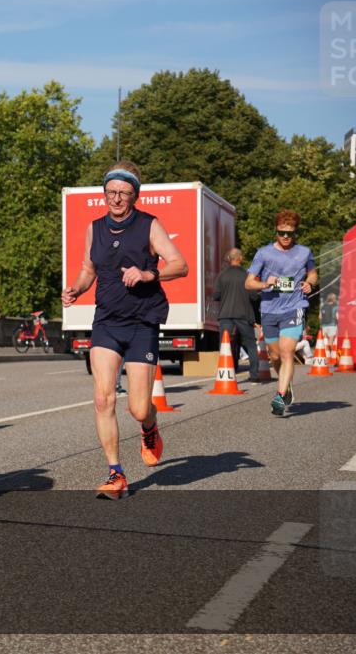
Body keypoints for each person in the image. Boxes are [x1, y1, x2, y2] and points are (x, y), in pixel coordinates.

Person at [62, 161, 188, 499]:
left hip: (141, 321)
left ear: (134, 195)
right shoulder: (95, 228)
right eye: (111, 192)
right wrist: (76, 289)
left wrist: (149, 275)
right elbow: (89, 269)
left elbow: (180, 265)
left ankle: (149, 427)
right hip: (106, 321)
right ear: (104, 192)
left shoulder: (149, 225)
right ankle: (115, 473)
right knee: (103, 398)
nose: (116, 198)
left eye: (123, 193)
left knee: (138, 407)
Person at [245, 209, 318, 416]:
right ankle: (286, 386)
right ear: (275, 231)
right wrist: (264, 283)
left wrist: (309, 284)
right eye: (281, 233)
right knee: (275, 355)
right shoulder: (264, 253)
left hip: (294, 307)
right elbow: (248, 283)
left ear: (296, 233)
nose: (286, 237)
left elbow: (312, 274)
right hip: (269, 310)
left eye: (290, 233)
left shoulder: (304, 252)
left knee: (287, 352)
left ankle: (280, 394)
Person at [213, 248, 261, 382]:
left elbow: (216, 296)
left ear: (229, 259)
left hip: (225, 314)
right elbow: (254, 297)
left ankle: (226, 374)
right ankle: (254, 375)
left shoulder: (222, 275)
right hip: (244, 314)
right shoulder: (247, 275)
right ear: (241, 258)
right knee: (250, 344)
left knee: (225, 344)